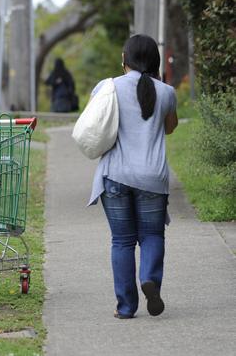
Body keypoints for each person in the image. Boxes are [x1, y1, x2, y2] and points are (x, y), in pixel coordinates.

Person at [87, 34, 178, 319]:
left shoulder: (107, 87)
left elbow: (94, 124)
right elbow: (170, 128)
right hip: (153, 176)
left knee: (122, 241)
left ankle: (126, 307)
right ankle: (149, 278)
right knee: (152, 234)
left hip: (115, 175)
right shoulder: (166, 92)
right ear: (155, 61)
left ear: (125, 59)